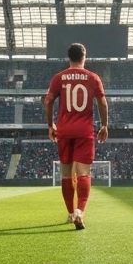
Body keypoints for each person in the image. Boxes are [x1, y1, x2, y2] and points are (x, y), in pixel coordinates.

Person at [44, 42, 108, 230]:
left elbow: (48, 101)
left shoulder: (59, 78)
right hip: (84, 131)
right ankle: (80, 211)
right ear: (84, 56)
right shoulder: (93, 78)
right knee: (83, 173)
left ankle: (71, 212)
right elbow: (102, 102)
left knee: (66, 174)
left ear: (69, 57)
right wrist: (104, 125)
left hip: (64, 130)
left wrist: (50, 125)